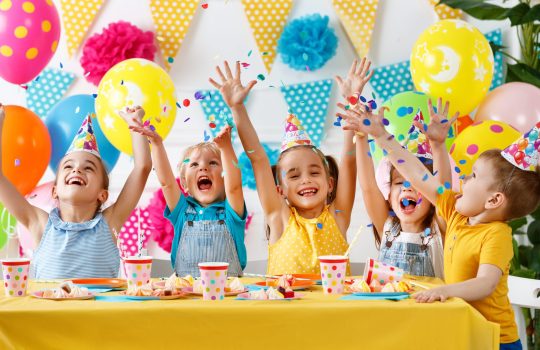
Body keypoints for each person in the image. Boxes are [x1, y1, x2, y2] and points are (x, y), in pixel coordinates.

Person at [338, 102, 540, 349]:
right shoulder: (455, 215)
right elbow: (417, 175)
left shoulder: (496, 234)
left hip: (494, 340)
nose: (464, 178)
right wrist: (382, 136)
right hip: (461, 331)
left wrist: (446, 290)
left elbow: (485, 283)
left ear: (494, 200)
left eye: (473, 175)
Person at [0, 105, 152, 278]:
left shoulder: (110, 222)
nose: (77, 169)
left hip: (99, 306)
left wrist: (135, 123)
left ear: (102, 194)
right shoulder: (40, 224)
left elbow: (142, 167)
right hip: (52, 306)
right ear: (55, 190)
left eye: (88, 168)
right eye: (68, 166)